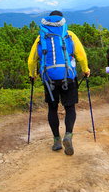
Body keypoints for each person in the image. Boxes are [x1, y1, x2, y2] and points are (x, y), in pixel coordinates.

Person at [28, 10, 90, 155]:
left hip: (49, 78)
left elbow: (31, 60)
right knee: (69, 108)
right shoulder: (69, 34)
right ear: (62, 20)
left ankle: (56, 140)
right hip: (68, 76)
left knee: (52, 108)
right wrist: (85, 70)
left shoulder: (41, 37)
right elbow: (81, 55)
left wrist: (32, 74)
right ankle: (68, 135)